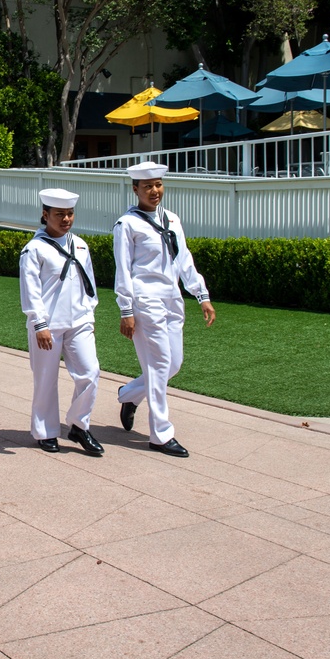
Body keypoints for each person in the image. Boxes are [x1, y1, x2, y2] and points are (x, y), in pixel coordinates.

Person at [114, 161, 216, 458]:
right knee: (159, 365)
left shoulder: (172, 219)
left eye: (158, 184)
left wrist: (201, 293)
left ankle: (129, 395)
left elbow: (184, 259)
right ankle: (161, 434)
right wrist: (126, 310)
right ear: (135, 189)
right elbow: (122, 270)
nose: (154, 191)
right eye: (147, 186)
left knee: (173, 365)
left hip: (172, 298)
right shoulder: (127, 224)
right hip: (145, 300)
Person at [19, 189, 104, 456]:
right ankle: (45, 432)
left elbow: (89, 282)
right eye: (59, 214)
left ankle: (79, 425)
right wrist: (39, 324)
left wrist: (89, 312)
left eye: (69, 214)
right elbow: (30, 290)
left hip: (78, 321)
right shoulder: (34, 249)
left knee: (90, 373)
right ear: (46, 215)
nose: (66, 219)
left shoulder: (79, 244)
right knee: (45, 380)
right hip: (48, 326)